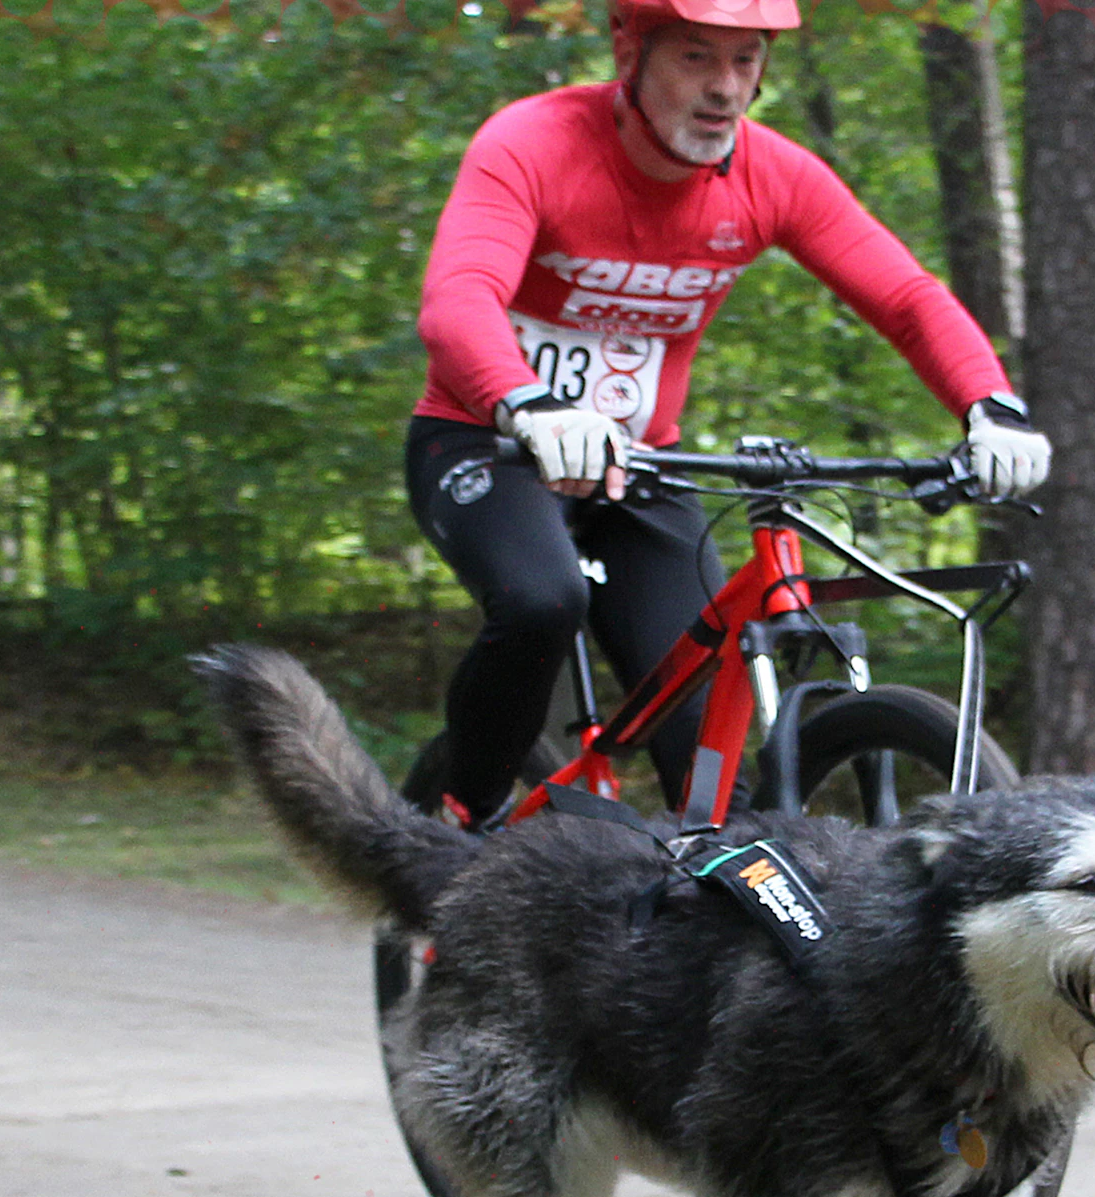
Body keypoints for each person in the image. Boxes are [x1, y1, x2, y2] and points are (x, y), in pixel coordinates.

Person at [405, 0, 1049, 826]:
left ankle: (711, 877)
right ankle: (461, 815)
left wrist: (991, 405)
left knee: (706, 726)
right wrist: (528, 403)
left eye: (746, 61)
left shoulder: (774, 176)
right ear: (630, 52)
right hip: (486, 442)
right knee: (542, 601)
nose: (725, 88)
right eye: (696, 57)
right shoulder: (533, 142)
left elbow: (907, 299)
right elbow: (458, 299)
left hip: (641, 464)